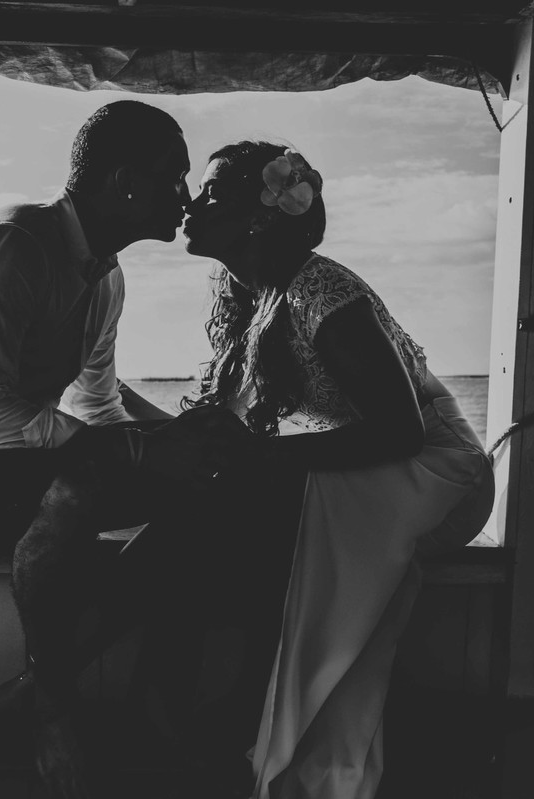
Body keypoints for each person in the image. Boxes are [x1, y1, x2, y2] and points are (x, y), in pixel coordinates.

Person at [0, 102, 276, 798]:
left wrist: (182, 439)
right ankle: (52, 714)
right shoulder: (11, 246)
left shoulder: (106, 279)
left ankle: (139, 706)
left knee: (203, 489)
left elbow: (97, 403)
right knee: (82, 482)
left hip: (16, 466)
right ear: (124, 184)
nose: (185, 197)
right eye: (173, 177)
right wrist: (138, 451)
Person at [179, 140, 496, 799]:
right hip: (378, 456)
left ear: (258, 217)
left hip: (436, 469)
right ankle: (245, 714)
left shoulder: (323, 292)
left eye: (211, 193)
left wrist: (257, 458)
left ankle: (255, 724)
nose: (191, 203)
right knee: (232, 499)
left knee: (261, 503)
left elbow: (402, 430)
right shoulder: (250, 291)